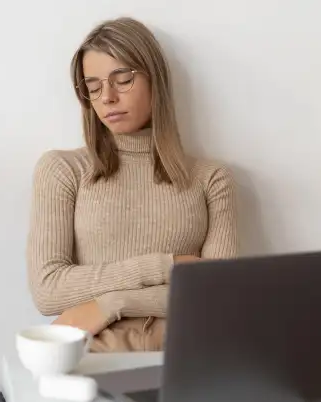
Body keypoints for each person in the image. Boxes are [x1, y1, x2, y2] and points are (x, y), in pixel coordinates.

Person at [26, 17, 238, 352]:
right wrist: (169, 266)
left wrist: (113, 304)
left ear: (155, 79)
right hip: (93, 354)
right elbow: (48, 290)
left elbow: (219, 292)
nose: (107, 98)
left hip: (188, 350)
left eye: (123, 80)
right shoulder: (63, 170)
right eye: (93, 87)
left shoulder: (211, 179)